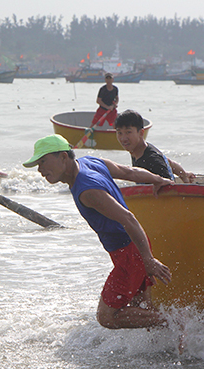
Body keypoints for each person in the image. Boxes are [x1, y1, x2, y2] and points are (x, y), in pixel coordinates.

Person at [23, 134, 173, 329]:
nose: (40, 170)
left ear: (62, 157)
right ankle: (173, 343)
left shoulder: (87, 190)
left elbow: (128, 218)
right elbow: (128, 172)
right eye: (37, 164)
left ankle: (172, 321)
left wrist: (148, 260)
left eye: (43, 161)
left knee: (107, 316)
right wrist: (157, 179)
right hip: (131, 249)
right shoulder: (89, 162)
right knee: (141, 307)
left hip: (130, 253)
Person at [115, 109, 195, 183]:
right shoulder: (137, 151)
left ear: (141, 133)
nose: (123, 138)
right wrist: (184, 175)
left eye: (128, 132)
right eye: (119, 133)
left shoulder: (152, 160)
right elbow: (169, 162)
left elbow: (170, 187)